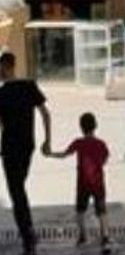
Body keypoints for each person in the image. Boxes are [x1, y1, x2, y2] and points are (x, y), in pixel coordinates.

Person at [0, 48, 51, 255]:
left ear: (5, 66)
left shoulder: (2, 94)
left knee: (16, 192)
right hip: (27, 147)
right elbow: (45, 114)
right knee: (19, 188)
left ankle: (28, 237)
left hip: (10, 149)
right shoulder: (29, 86)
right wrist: (47, 140)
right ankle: (28, 231)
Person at [46, 111, 111, 251]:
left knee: (80, 211)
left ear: (81, 127)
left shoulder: (78, 143)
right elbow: (105, 159)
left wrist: (50, 154)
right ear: (96, 126)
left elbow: (64, 155)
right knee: (101, 211)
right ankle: (105, 238)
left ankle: (82, 235)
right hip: (98, 183)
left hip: (83, 183)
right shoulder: (101, 144)